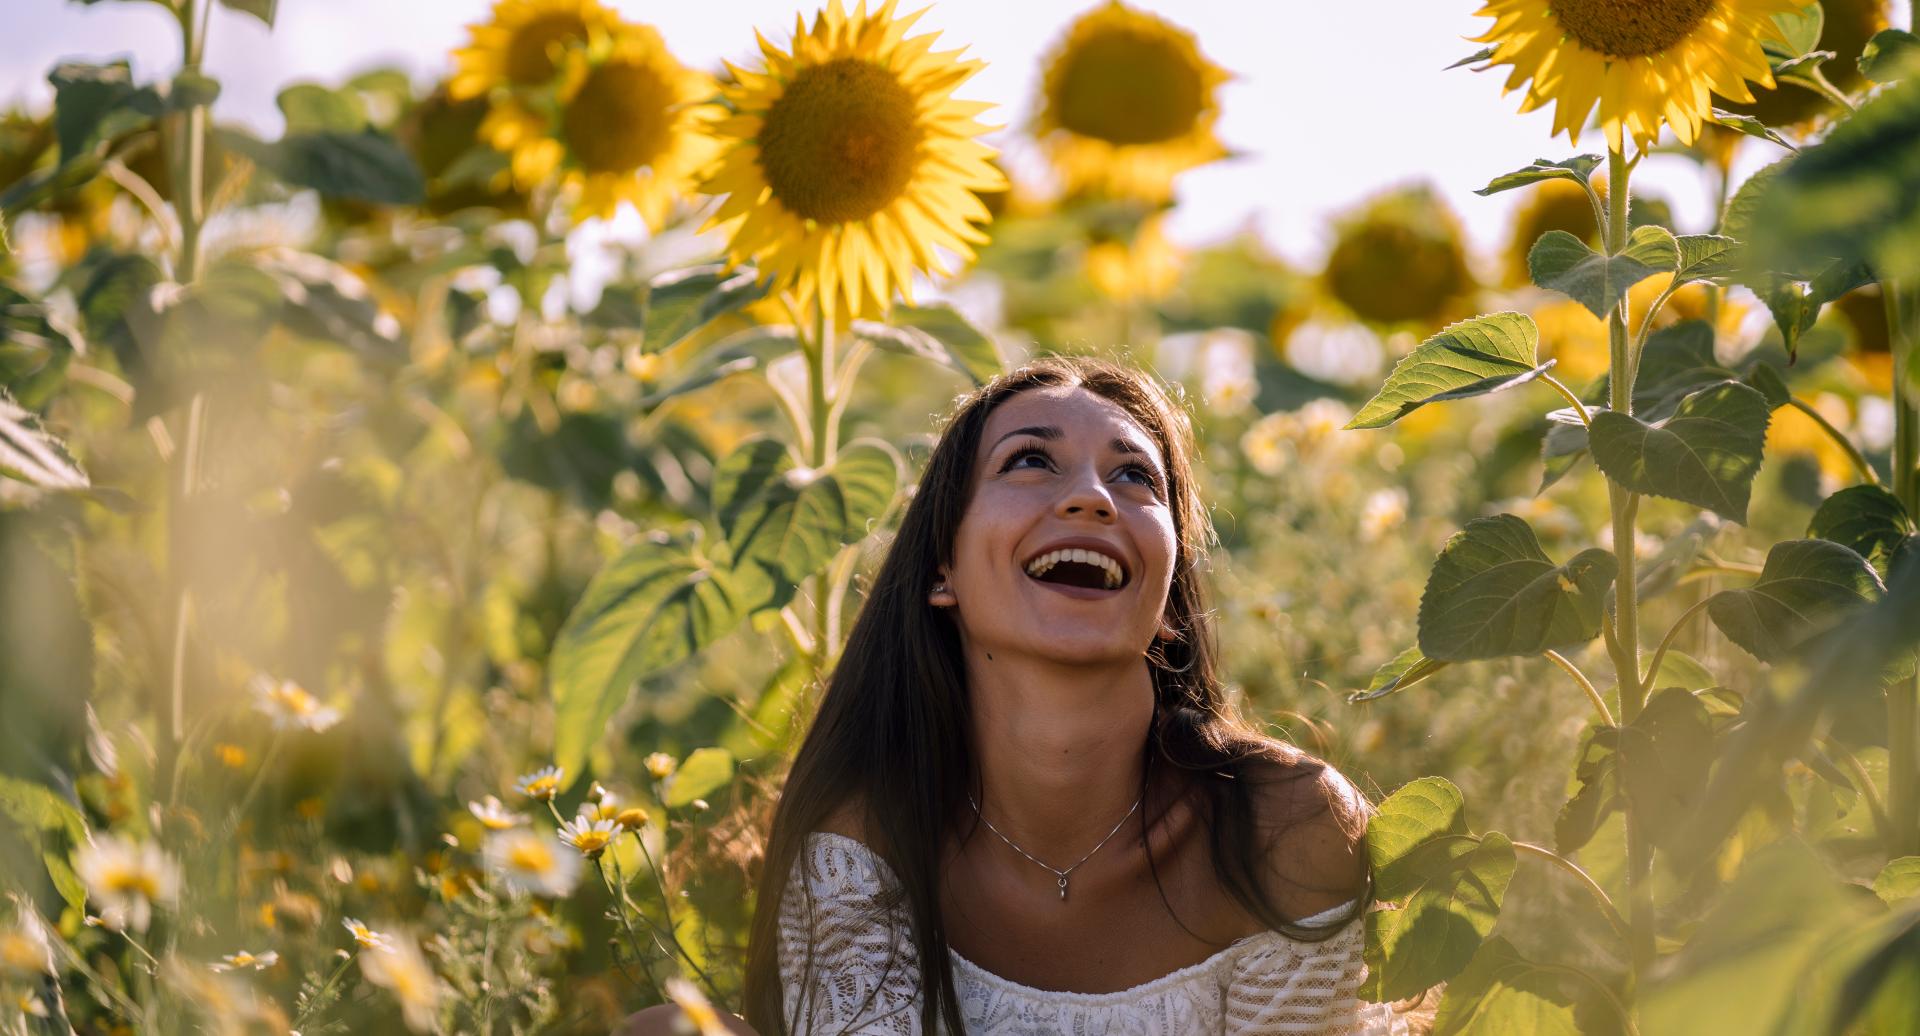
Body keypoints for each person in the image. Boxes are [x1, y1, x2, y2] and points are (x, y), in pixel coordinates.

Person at [622, 355, 1411, 1035]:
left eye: (1135, 475)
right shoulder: (866, 842)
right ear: (943, 571)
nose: (1093, 497)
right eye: (1030, 461)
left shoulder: (1283, 828)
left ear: (1169, 604)